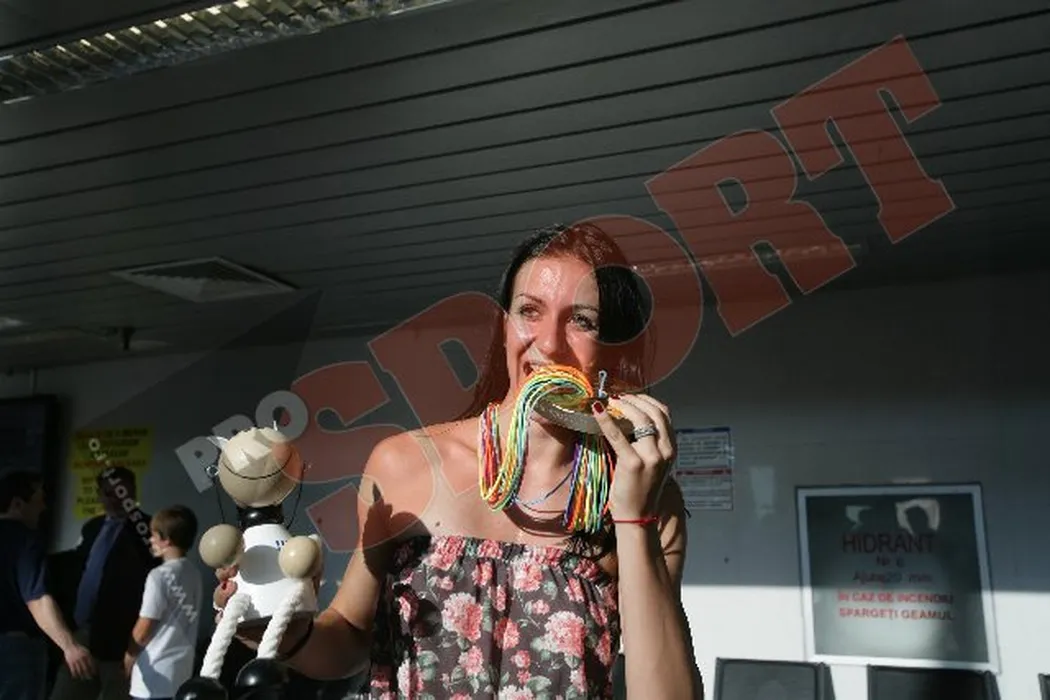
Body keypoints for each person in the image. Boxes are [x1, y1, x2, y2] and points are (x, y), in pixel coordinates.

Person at [215, 222, 702, 699]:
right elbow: (349, 638)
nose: (550, 343)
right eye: (529, 311)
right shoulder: (403, 464)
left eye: (582, 321)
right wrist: (282, 629)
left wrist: (634, 517)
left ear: (613, 350)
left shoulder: (648, 503)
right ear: (503, 327)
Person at [51, 467, 158, 700]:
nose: (116, 500)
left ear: (133, 493)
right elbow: (79, 568)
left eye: (122, 493)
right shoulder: (92, 527)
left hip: (122, 637)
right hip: (84, 632)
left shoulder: (148, 530)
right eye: (109, 494)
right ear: (99, 495)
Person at [0, 470, 94, 700]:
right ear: (17, 504)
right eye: (39, 500)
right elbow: (37, 599)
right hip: (16, 649)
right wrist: (69, 646)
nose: (43, 507)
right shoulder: (25, 541)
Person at [124, 505, 203, 700]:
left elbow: (144, 628)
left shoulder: (158, 576)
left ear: (166, 540)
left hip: (153, 676)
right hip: (181, 673)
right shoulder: (194, 573)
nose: (150, 540)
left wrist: (129, 656)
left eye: (153, 535)